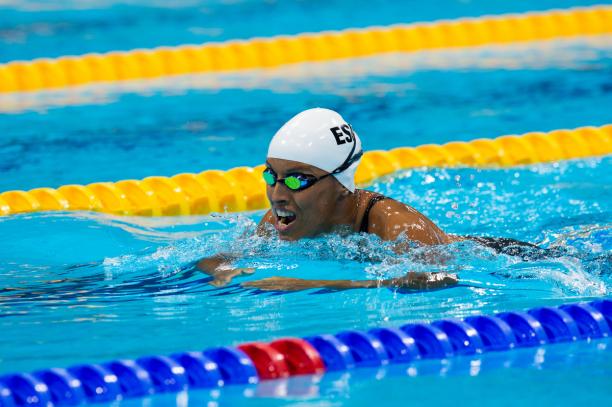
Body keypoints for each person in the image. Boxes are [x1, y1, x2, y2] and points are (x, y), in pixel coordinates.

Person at [197, 108, 538, 291]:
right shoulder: (279, 220)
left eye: (297, 180)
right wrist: (226, 271)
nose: (277, 194)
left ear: (341, 184)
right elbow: (220, 258)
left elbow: (438, 279)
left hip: (512, 261)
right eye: (271, 175)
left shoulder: (399, 226)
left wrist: (317, 285)